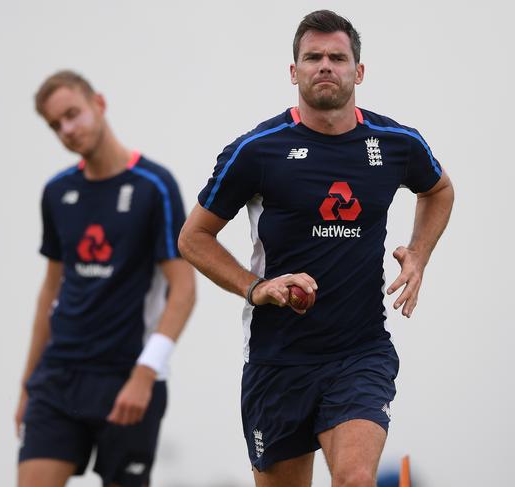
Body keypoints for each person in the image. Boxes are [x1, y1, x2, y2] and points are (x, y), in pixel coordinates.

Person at [178, 10, 454, 487]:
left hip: (360, 352)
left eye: (337, 57)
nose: (325, 65)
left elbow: (439, 190)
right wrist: (257, 288)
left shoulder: (395, 143)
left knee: (354, 479)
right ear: (294, 72)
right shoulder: (257, 149)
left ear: (358, 72)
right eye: (313, 57)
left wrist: (419, 253)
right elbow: (193, 238)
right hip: (277, 359)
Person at [15, 70, 195, 487]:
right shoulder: (57, 192)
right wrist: (27, 384)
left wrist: (145, 373)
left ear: (99, 103)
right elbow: (50, 292)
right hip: (58, 378)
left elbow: (183, 291)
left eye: (72, 114)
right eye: (55, 125)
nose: (67, 130)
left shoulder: (155, 185)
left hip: (126, 376)